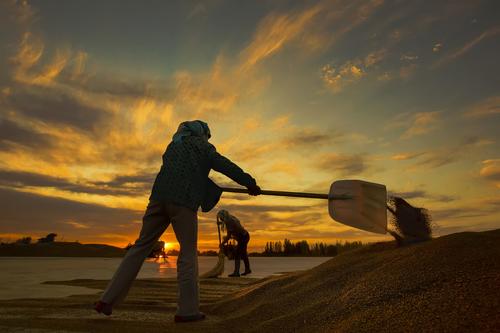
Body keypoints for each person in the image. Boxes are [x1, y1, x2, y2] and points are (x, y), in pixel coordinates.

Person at [94, 120, 261, 322]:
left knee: (140, 247)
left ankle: (107, 299)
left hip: (157, 199)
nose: (207, 139)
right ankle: (187, 311)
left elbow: (182, 171)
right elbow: (226, 166)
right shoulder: (204, 147)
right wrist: (249, 183)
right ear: (202, 134)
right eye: (207, 135)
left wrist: (206, 183)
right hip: (183, 201)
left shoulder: (174, 145)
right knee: (188, 253)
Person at [218, 209, 251, 277]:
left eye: (221, 218)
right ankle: (247, 269)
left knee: (238, 254)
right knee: (243, 254)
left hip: (243, 237)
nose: (220, 219)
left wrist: (222, 243)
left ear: (224, 216)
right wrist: (220, 223)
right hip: (244, 236)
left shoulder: (230, 222)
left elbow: (229, 235)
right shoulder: (230, 218)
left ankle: (236, 272)